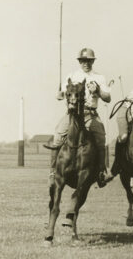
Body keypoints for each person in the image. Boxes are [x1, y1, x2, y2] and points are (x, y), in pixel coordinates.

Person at [48, 48, 112, 188]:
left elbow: (108, 98)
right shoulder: (72, 75)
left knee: (101, 137)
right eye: (83, 61)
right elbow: (63, 93)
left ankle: (102, 172)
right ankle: (53, 172)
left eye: (89, 61)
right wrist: (60, 95)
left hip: (90, 114)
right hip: (72, 115)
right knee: (58, 135)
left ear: (93, 61)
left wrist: (98, 90)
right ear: (79, 61)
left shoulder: (99, 77)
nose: (86, 63)